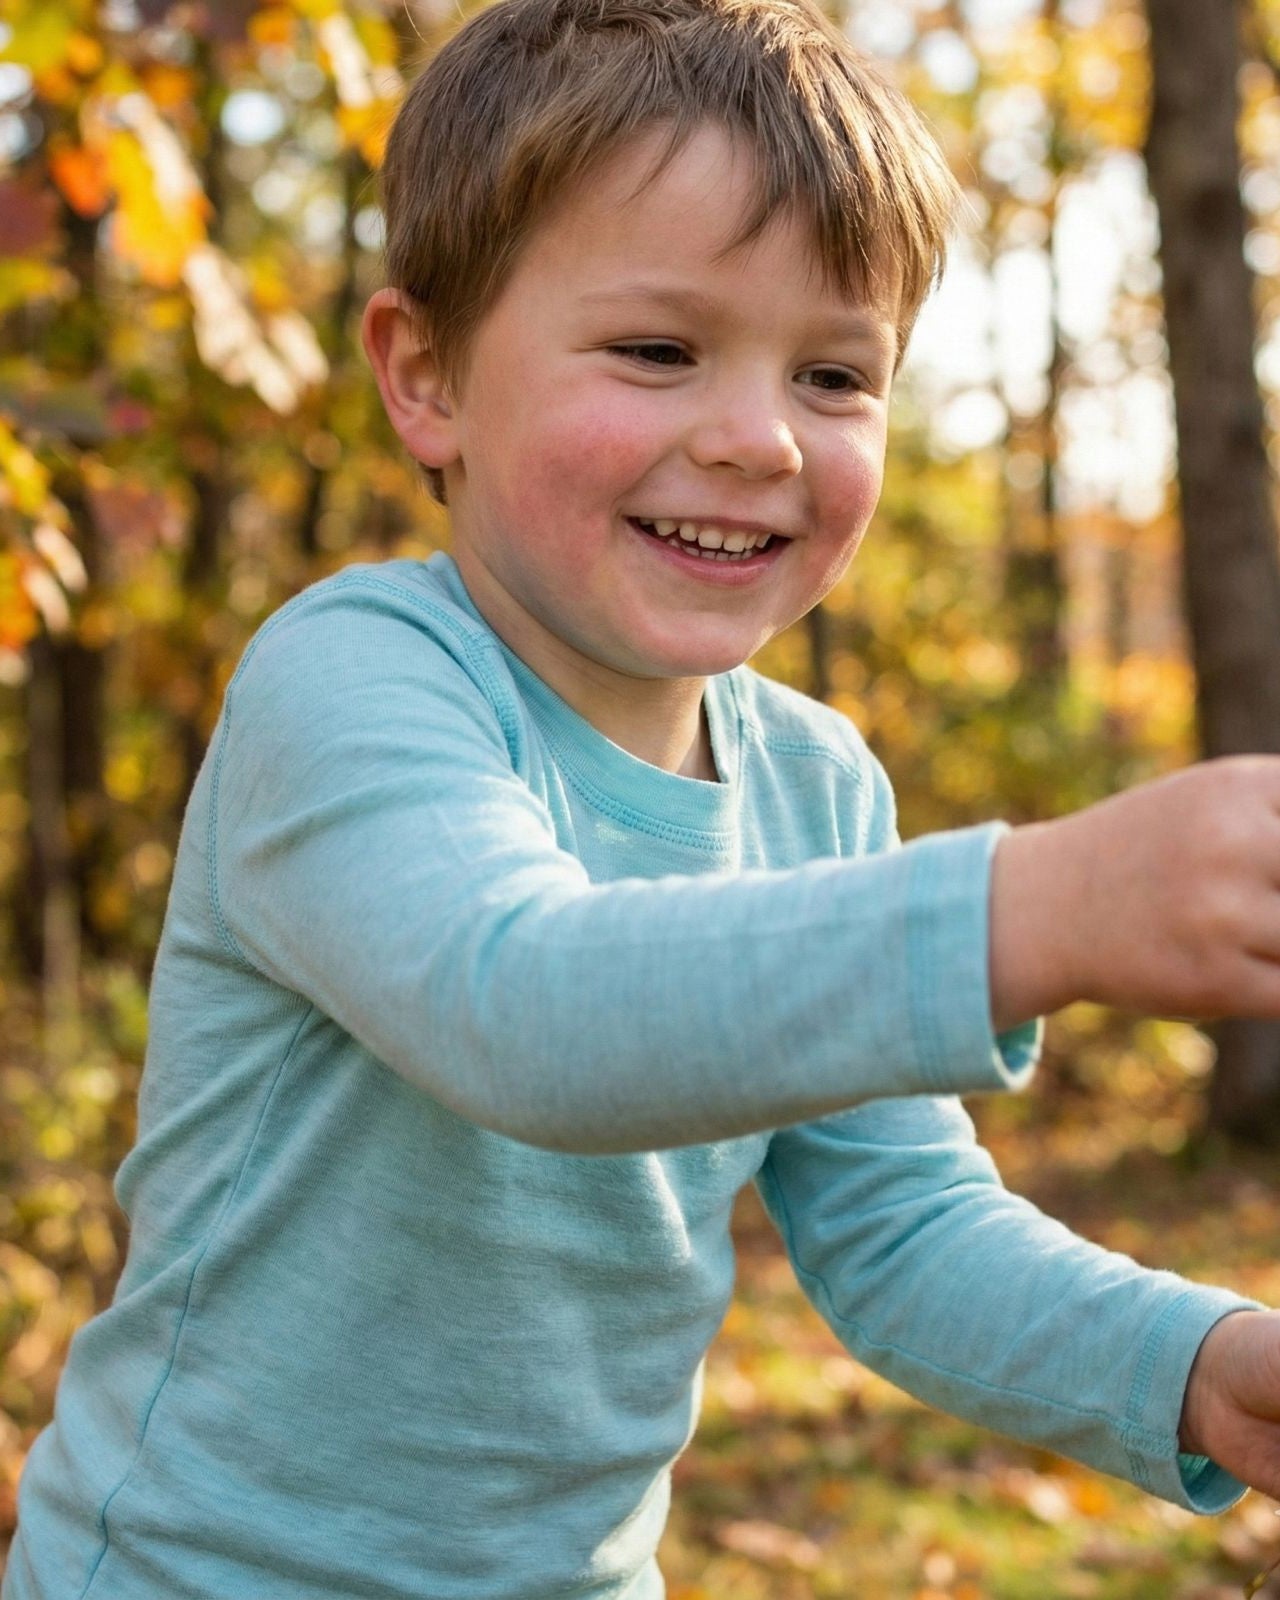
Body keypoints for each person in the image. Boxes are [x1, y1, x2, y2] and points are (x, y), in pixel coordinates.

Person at [8, 0, 1280, 1594]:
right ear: (426, 380)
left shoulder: (817, 785)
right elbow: (524, 1004)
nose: (756, 439)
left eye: (833, 373)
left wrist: (1197, 1363)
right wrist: (1044, 908)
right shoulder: (353, 682)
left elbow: (902, 1227)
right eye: (659, 350)